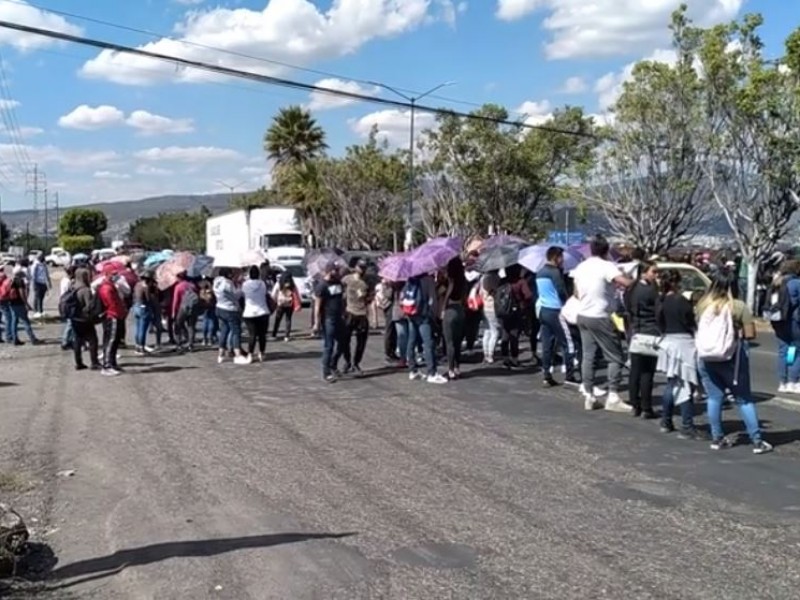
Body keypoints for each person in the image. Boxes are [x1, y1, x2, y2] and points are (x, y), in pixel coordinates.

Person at [696, 269, 773, 454]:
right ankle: (757, 440)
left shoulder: (702, 304)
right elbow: (750, 334)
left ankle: (717, 438)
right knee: (744, 399)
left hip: (705, 356)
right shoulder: (737, 307)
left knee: (714, 397)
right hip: (732, 358)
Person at [571, 235, 632, 412]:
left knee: (588, 355)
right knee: (615, 356)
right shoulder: (607, 266)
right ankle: (612, 396)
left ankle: (589, 395)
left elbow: (576, 292)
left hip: (582, 314)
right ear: (606, 250)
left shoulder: (581, 267)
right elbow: (625, 283)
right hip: (600, 315)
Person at [656, 270, 706, 440]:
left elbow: (659, 323)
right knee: (686, 384)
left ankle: (666, 420)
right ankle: (687, 425)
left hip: (667, 341)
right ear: (677, 282)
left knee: (671, 383)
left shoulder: (661, 300)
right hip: (683, 343)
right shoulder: (682, 301)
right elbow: (690, 322)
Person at [536, 246, 577, 387]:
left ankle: (546, 375)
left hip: (544, 310)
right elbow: (561, 290)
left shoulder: (539, 272)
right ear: (556, 257)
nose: (562, 260)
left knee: (547, 344)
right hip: (556, 310)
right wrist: (568, 302)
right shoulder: (555, 272)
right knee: (568, 343)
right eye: (561, 257)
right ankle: (570, 375)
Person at [625, 261, 660, 418]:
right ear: (644, 273)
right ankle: (646, 407)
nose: (656, 275)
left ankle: (634, 404)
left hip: (636, 332)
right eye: (654, 272)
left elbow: (626, 307)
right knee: (647, 372)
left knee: (635, 370)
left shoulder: (631, 289)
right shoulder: (651, 291)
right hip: (650, 331)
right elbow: (659, 311)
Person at [405, 272, 447, 384]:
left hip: (412, 314)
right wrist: (433, 317)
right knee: (428, 343)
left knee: (411, 342)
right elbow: (432, 299)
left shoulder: (411, 278)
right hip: (424, 316)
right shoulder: (428, 280)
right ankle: (432, 373)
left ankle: (413, 370)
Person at [765, 261, 800, 393]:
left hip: (778, 320)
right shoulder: (797, 283)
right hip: (794, 322)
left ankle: (782, 382)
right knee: (796, 350)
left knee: (784, 350)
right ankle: (793, 381)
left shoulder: (777, 283)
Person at [314, 262, 349, 382]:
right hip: (328, 319)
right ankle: (326, 372)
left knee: (344, 343)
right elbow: (318, 306)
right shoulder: (322, 286)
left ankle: (333, 363)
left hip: (339, 317)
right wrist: (316, 323)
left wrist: (344, 312)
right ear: (330, 271)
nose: (338, 272)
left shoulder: (338, 283)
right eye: (336, 270)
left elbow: (342, 299)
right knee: (329, 346)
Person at [213, 268, 250, 365]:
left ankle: (221, 354)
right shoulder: (228, 283)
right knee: (236, 331)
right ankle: (237, 354)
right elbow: (236, 296)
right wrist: (240, 287)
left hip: (219, 307)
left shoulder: (217, 281)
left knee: (224, 330)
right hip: (230, 309)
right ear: (228, 274)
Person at [342, 259, 372, 375]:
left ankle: (356, 363)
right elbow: (341, 292)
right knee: (345, 340)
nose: (362, 270)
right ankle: (347, 361)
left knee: (361, 341)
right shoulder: (347, 279)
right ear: (355, 267)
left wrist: (366, 297)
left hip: (362, 313)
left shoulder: (368, 281)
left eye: (364, 267)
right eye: (360, 267)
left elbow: (371, 297)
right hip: (349, 312)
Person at [441, 257, 468, 380]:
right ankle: (457, 367)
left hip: (450, 309)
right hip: (460, 309)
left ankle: (451, 369)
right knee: (457, 342)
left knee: (449, 342)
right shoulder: (463, 280)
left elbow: (447, 293)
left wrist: (443, 308)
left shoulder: (450, 281)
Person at [97, 271, 127, 376]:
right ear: (107, 274)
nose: (116, 276)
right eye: (113, 274)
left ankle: (113, 363)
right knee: (110, 341)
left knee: (115, 341)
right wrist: (119, 313)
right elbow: (112, 304)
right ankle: (107, 366)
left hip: (116, 315)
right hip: (112, 316)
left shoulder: (111, 286)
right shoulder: (106, 288)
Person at [70, 267, 100, 371]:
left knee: (78, 341)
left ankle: (78, 363)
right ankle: (94, 362)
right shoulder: (85, 290)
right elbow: (89, 306)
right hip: (84, 319)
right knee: (93, 341)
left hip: (74, 318)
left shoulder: (72, 287)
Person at [242, 265, 270, 362]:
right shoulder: (262, 284)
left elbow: (242, 294)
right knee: (262, 335)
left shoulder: (245, 284)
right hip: (262, 311)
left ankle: (250, 354)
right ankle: (261, 353)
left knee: (252, 334)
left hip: (249, 312)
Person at [480, 270, 501, 364]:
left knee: (487, 331)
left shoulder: (483, 278)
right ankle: (490, 355)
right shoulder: (496, 279)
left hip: (485, 306)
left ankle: (485, 354)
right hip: (493, 307)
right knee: (495, 332)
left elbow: (480, 293)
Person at [132, 272, 156, 355]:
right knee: (143, 329)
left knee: (138, 328)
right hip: (144, 308)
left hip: (136, 306)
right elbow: (148, 299)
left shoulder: (137, 285)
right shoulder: (146, 287)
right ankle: (141, 347)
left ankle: (137, 346)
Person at [272, 271, 299, 341]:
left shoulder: (279, 283)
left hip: (280, 303)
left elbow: (274, 293)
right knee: (288, 319)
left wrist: (274, 301)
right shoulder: (292, 284)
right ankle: (287, 335)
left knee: (277, 319)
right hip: (289, 304)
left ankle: (274, 334)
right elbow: (296, 293)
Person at [59, 266, 76, 350]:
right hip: (67, 302)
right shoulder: (68, 281)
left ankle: (69, 340)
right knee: (70, 323)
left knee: (71, 323)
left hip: (64, 301)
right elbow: (69, 291)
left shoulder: (64, 280)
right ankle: (65, 341)